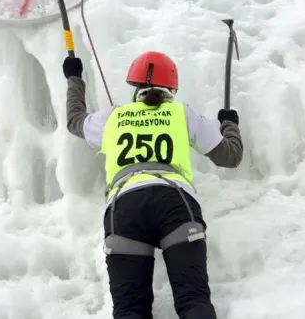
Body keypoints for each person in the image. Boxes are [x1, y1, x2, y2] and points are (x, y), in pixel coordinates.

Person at [63, 51, 244, 319]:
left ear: (135, 88)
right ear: (172, 88)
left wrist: (74, 77)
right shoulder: (182, 114)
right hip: (174, 203)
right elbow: (231, 156)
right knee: (193, 299)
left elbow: (75, 120)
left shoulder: (113, 117)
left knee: (130, 310)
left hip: (124, 209)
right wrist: (229, 123)